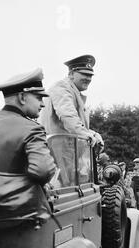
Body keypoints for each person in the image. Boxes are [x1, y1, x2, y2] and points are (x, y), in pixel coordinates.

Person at [0, 68, 56, 217]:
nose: (42, 104)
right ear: (22, 97)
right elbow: (43, 171)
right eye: (38, 98)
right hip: (14, 217)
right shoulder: (32, 129)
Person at [38, 55, 103, 186]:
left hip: (66, 152)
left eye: (90, 76)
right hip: (56, 153)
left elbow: (72, 124)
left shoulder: (73, 91)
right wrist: (86, 134)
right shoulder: (62, 88)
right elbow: (68, 117)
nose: (88, 79)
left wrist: (93, 134)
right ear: (71, 73)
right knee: (63, 193)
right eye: (84, 74)